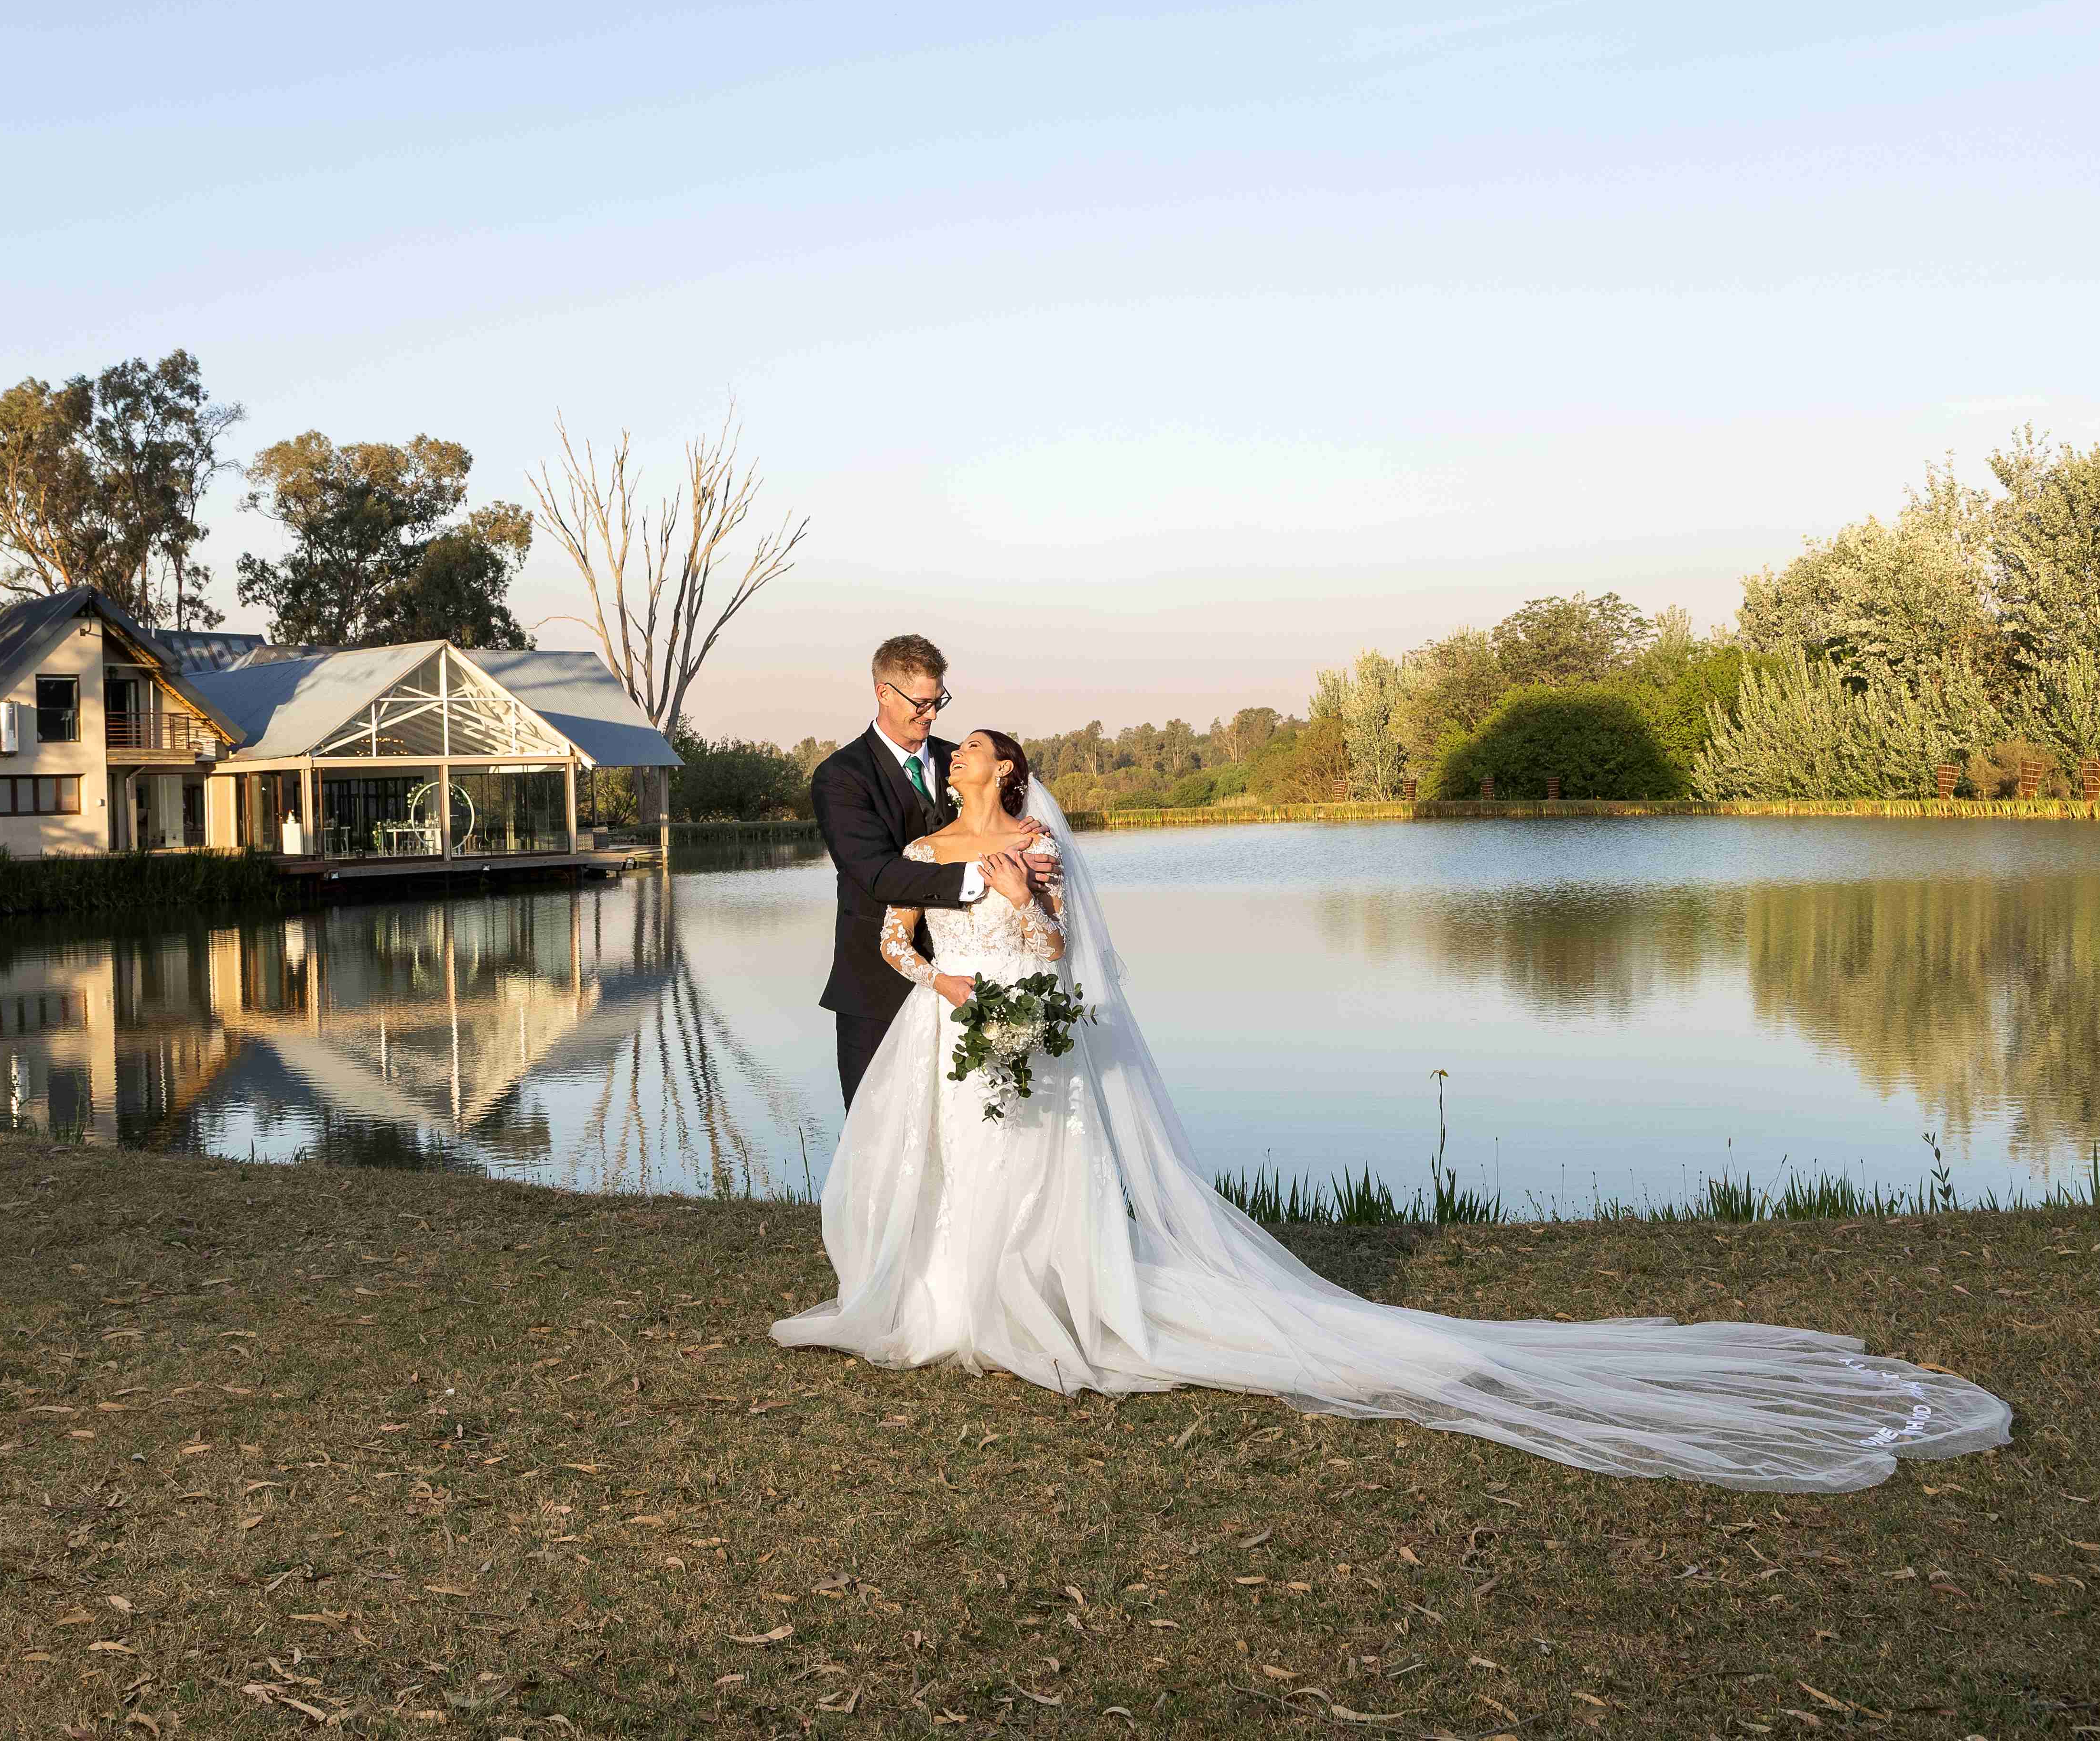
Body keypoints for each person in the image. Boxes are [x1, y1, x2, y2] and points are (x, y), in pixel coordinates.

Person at [773, 745, 2014, 1494]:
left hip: (1030, 1021)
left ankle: (1042, 1307)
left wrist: (1016, 916)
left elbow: (1057, 941)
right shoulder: (928, 840)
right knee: (962, 1170)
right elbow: (890, 923)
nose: (958, 755)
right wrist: (936, 970)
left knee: (1041, 1175)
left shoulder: (1035, 846)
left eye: (971, 742)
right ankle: (956, 1304)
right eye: (953, 742)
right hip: (956, 1024)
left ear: (1004, 765)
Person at [806, 634, 1057, 1107]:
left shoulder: (959, 761)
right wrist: (988, 871)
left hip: (980, 983)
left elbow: (1000, 816)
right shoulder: (841, 776)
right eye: (921, 703)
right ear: (884, 692)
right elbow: (876, 874)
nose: (933, 714)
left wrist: (1021, 835)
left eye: (938, 700)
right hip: (876, 987)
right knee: (877, 1136)